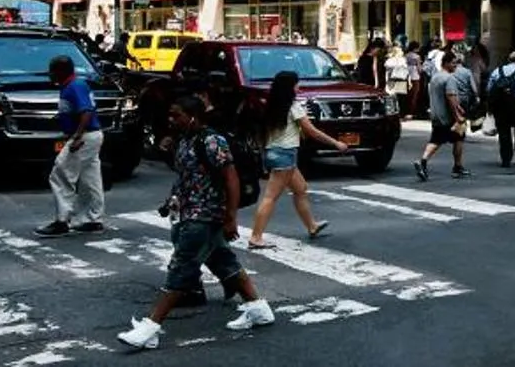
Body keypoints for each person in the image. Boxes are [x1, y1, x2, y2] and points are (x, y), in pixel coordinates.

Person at [118, 93, 274, 349]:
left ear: (193, 117)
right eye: (170, 114)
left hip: (204, 215)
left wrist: (231, 217)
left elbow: (231, 179)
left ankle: (151, 327)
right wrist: (171, 200)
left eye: (176, 115)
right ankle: (257, 309)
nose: (171, 119)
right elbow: (188, 177)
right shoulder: (185, 140)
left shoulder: (213, 141)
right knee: (223, 262)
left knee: (182, 267)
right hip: (189, 212)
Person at [246, 70, 339, 251]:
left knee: (300, 188)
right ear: (290, 87)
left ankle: (311, 225)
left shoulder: (271, 105)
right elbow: (311, 131)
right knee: (270, 197)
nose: (299, 87)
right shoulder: (293, 107)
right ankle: (256, 237)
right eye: (296, 84)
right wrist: (335, 143)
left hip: (274, 152)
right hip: (285, 154)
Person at [35, 54, 108, 237]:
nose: (49, 75)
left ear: (61, 71)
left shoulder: (75, 86)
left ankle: (62, 220)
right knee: (89, 178)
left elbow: (86, 112)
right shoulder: (72, 86)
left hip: (84, 136)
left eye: (52, 71)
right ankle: (92, 219)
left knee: (60, 173)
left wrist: (77, 136)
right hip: (90, 136)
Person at [416, 46, 475, 182]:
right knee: (453, 138)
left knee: (442, 139)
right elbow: (451, 98)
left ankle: (453, 166)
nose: (455, 66)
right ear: (446, 63)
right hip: (448, 117)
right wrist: (458, 116)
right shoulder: (449, 79)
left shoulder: (435, 78)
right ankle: (427, 162)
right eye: (453, 63)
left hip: (436, 114)